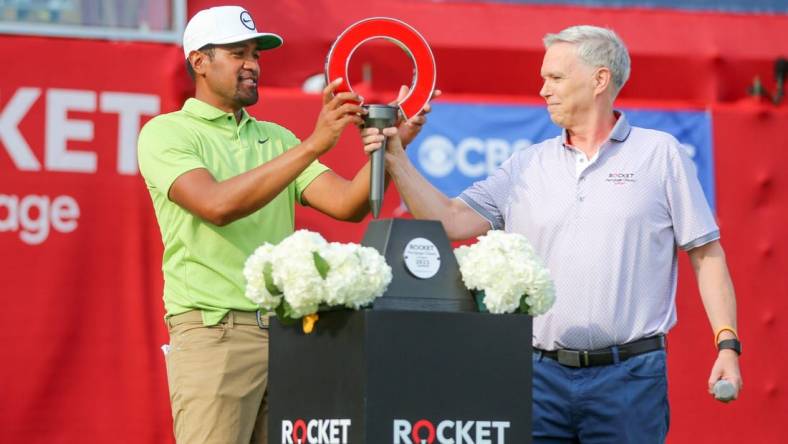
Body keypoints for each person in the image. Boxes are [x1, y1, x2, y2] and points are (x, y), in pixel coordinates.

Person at [363, 25, 742, 443]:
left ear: (600, 80)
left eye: (555, 78)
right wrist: (395, 156)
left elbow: (706, 255)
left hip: (630, 380)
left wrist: (727, 345)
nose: (543, 90)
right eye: (544, 78)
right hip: (536, 379)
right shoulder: (527, 165)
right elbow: (450, 220)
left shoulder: (660, 154)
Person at [137, 6, 431, 443]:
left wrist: (390, 151)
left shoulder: (276, 138)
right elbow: (216, 205)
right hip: (215, 334)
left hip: (288, 333)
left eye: (255, 54)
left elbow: (347, 205)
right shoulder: (167, 132)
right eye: (238, 54)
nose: (252, 65)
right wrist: (315, 144)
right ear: (199, 61)